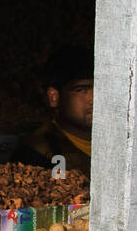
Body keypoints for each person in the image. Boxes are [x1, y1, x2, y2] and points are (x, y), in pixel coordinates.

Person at [13, 46, 93, 175]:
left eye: (100, 87)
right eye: (81, 90)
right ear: (54, 97)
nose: (93, 98)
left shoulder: (123, 143)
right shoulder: (35, 155)